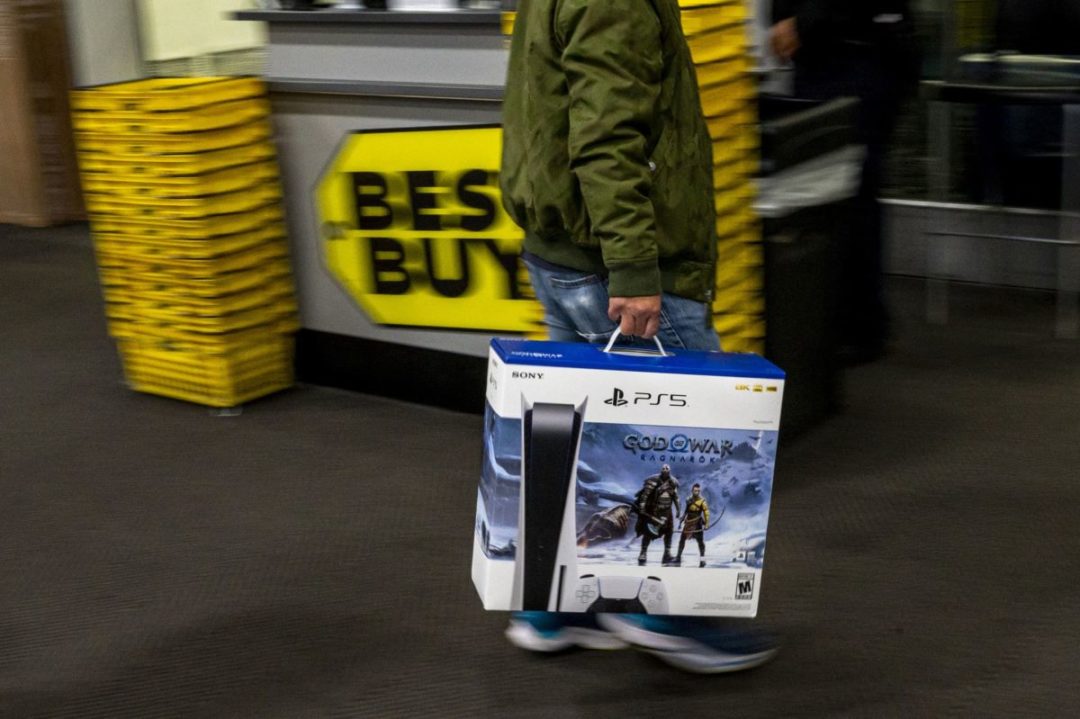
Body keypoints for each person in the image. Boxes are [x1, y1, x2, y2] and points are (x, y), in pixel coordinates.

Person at [499, 0, 777, 673]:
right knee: (690, 438)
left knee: (574, 435)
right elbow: (607, 135)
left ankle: (552, 606)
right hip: (611, 264)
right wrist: (633, 266)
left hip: (561, 252)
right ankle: (669, 611)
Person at [769, 0, 918, 363]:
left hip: (859, 54)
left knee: (852, 189)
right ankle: (846, 322)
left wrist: (802, 22)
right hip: (833, 52)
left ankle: (860, 326)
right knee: (842, 191)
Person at [637, 468, 681, 565]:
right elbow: (645, 495)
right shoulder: (654, 481)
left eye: (667, 472)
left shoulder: (672, 482)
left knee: (669, 532)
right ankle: (643, 552)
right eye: (664, 472)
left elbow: (675, 497)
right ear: (661, 472)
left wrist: (678, 510)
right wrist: (642, 506)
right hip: (655, 510)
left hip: (667, 511)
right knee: (648, 532)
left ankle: (667, 554)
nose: (665, 473)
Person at [677, 483, 711, 567]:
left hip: (698, 523)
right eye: (695, 491)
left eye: (698, 491)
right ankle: (678, 557)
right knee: (682, 540)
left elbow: (706, 512)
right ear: (692, 491)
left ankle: (702, 560)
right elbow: (686, 512)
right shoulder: (688, 500)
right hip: (688, 523)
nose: (697, 492)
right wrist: (681, 521)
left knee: (701, 543)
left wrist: (706, 524)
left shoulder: (702, 501)